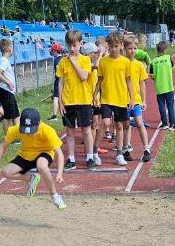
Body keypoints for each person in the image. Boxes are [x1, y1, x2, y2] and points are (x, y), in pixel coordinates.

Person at [0, 108, 66, 210]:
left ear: (39, 123)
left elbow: (60, 154)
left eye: (31, 130)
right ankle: (31, 178)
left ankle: (55, 196)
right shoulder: (15, 129)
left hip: (44, 152)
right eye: (25, 130)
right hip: (26, 154)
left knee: (42, 166)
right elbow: (3, 146)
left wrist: (59, 174)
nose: (28, 134)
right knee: (6, 172)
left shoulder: (48, 131)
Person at [55, 30, 93, 170]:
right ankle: (71, 159)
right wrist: (60, 101)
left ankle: (89, 157)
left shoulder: (86, 60)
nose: (72, 49)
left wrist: (73, 61)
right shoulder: (63, 62)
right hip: (68, 101)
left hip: (83, 100)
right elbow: (61, 82)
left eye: (75, 45)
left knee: (86, 130)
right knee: (69, 131)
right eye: (69, 45)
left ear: (80, 44)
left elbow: (83, 76)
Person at [95, 33, 133, 167]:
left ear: (121, 46)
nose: (114, 49)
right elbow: (99, 80)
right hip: (106, 98)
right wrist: (95, 95)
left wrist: (132, 98)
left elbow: (129, 81)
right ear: (108, 46)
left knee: (119, 126)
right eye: (111, 46)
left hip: (121, 99)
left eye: (116, 46)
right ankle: (95, 152)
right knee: (105, 123)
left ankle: (119, 154)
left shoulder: (126, 62)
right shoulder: (103, 62)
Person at [122, 35, 151, 163]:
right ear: (124, 49)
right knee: (126, 125)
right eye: (130, 48)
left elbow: (142, 83)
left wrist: (144, 100)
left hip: (137, 100)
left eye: (134, 48)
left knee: (139, 123)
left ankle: (146, 149)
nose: (132, 51)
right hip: (123, 100)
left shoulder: (139, 65)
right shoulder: (121, 63)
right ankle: (126, 149)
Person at [0, 38, 19, 133]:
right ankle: (8, 137)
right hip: (6, 91)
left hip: (8, 92)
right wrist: (8, 82)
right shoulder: (4, 61)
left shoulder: (4, 60)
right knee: (8, 116)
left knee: (16, 114)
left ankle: (18, 135)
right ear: (9, 49)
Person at [151, 41, 175, 131]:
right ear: (165, 50)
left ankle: (164, 124)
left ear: (157, 50)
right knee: (170, 106)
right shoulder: (168, 58)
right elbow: (173, 69)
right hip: (169, 86)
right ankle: (172, 124)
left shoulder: (153, 62)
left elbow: (152, 75)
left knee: (161, 106)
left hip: (159, 88)